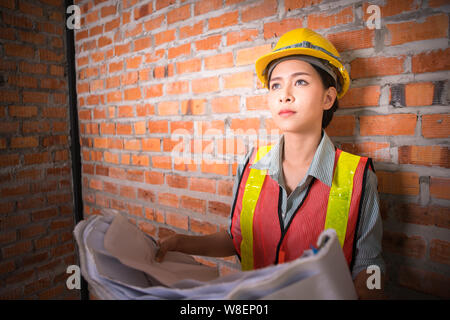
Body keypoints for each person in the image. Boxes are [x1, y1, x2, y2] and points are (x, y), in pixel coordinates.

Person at [155, 28, 385, 299]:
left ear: (328, 98)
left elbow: (370, 266)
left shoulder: (358, 176)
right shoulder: (252, 165)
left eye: (300, 82)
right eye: (275, 84)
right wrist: (180, 243)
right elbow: (237, 239)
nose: (284, 95)